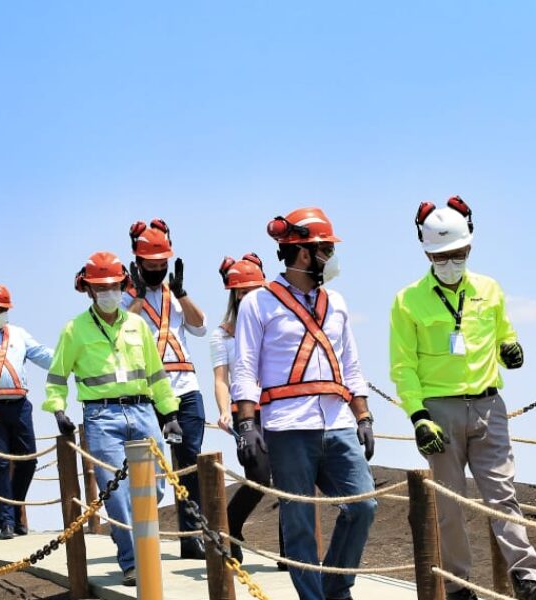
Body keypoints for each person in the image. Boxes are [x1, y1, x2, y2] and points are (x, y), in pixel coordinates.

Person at [389, 197, 536, 600]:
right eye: (442, 255)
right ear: (427, 252)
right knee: (449, 508)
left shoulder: (489, 289)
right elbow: (403, 367)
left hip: (488, 406)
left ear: (469, 246)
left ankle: (527, 580)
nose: (451, 261)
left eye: (458, 253)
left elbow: (505, 335)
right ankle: (459, 587)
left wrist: (512, 349)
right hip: (439, 412)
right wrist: (418, 417)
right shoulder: (407, 301)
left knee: (504, 496)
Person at [232, 207, 376, 600]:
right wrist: (246, 424)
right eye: (326, 250)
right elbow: (243, 369)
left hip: (337, 422)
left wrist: (363, 414)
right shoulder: (257, 304)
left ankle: (336, 587)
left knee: (363, 505)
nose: (332, 258)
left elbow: (351, 365)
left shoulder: (339, 303)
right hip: (287, 428)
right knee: (298, 524)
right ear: (304, 253)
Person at [44, 251, 184, 587]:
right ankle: (133, 561)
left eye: (112, 285)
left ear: (122, 285)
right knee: (118, 493)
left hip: (143, 410)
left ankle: (139, 547)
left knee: (156, 486)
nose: (108, 292)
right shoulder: (73, 330)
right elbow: (57, 376)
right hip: (101, 416)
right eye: (100, 286)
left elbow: (156, 373)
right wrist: (58, 409)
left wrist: (170, 413)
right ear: (88, 290)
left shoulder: (137, 325)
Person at [122, 218, 209, 559]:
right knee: (148, 469)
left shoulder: (176, 293)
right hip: (147, 392)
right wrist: (139, 300)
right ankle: (143, 542)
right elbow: (117, 337)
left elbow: (200, 326)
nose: (158, 271)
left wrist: (183, 293)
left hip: (186, 386)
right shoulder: (127, 297)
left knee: (190, 463)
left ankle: (192, 538)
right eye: (152, 266)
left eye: (163, 265)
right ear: (137, 262)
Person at [209, 253, 285, 565]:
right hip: (246, 412)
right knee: (258, 474)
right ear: (234, 294)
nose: (246, 295)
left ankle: (291, 553)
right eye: (240, 290)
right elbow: (220, 379)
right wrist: (225, 409)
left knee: (289, 480)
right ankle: (229, 525)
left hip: (280, 405)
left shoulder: (276, 322)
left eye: (253, 288)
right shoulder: (222, 334)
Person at [0, 283, 54, 539]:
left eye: (5, 309)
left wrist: (70, 359)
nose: (3, 313)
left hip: (19, 405)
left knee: (28, 460)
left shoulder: (17, 333)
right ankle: (5, 522)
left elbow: (42, 355)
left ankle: (14, 509)